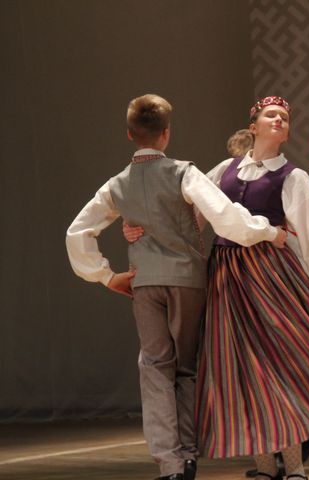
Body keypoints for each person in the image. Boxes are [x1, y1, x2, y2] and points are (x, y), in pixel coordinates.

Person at [66, 94, 284, 480]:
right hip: (187, 281)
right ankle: (188, 454)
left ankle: (170, 463)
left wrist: (105, 275)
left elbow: (78, 231)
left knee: (154, 368)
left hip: (145, 282)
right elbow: (225, 217)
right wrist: (268, 231)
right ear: (166, 133)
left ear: (129, 134)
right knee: (186, 367)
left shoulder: (117, 184)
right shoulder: (183, 172)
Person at [196, 96, 309, 480]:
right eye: (271, 114)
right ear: (254, 125)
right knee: (245, 370)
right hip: (227, 278)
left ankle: (294, 467)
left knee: (283, 366)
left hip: (269, 276)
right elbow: (192, 210)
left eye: (284, 117)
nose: (279, 119)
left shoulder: (291, 177)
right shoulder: (225, 170)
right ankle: (265, 468)